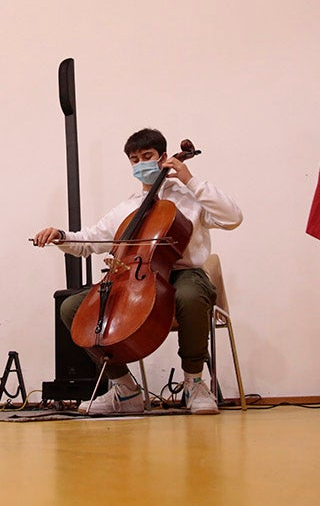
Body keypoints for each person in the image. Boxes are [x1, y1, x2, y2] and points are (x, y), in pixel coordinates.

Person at [32, 128, 242, 415]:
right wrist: (61, 236)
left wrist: (189, 179)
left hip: (184, 273)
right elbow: (92, 240)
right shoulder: (127, 207)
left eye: (147, 156)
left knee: (190, 296)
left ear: (164, 158)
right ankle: (125, 389)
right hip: (135, 278)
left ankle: (194, 382)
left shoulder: (189, 197)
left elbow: (232, 218)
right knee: (72, 309)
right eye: (134, 159)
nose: (140, 163)